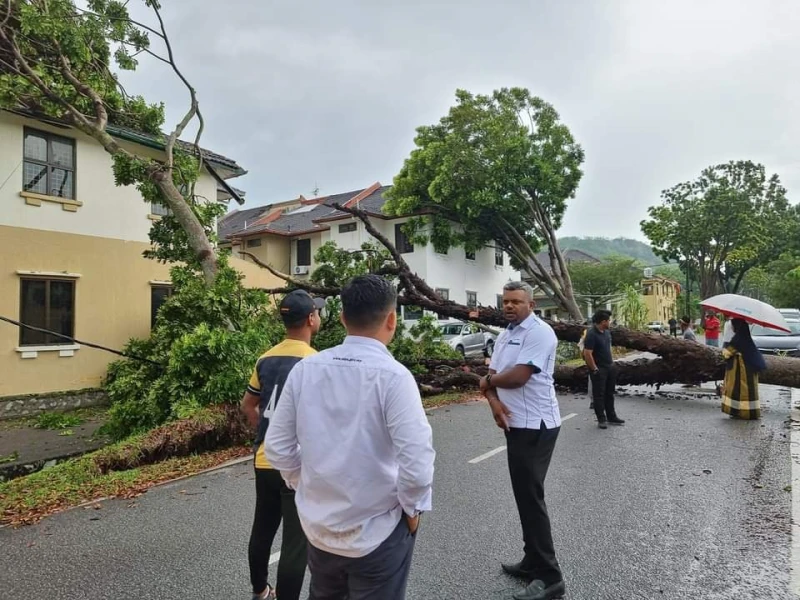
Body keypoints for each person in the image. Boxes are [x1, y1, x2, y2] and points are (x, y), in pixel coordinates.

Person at [265, 274, 435, 600]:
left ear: (342, 317)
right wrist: (413, 511)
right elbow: (417, 462)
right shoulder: (394, 377)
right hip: (378, 534)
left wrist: (308, 486)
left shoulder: (307, 370)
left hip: (319, 530)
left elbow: (277, 447)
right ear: (392, 320)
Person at [479, 281, 566, 600]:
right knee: (523, 496)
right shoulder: (507, 335)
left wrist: (488, 383)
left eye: (516, 301)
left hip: (537, 425)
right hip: (516, 425)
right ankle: (532, 559)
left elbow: (516, 378)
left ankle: (550, 576)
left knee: (531, 498)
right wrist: (493, 402)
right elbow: (491, 377)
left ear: (531, 304)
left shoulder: (539, 333)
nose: (510, 306)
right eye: (506, 302)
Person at [240, 289, 325, 600]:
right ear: (311, 319)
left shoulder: (265, 358)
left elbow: (248, 405)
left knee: (262, 529)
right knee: (294, 542)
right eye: (317, 312)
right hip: (297, 464)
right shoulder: (317, 363)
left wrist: (263, 431)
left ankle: (260, 591)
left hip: (264, 460)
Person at [583, 309, 625, 430]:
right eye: (608, 321)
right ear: (603, 322)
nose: (610, 322)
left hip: (609, 366)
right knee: (599, 395)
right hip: (599, 369)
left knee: (609, 393)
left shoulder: (606, 332)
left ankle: (612, 416)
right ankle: (601, 419)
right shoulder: (591, 334)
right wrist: (594, 369)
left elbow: (608, 348)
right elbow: (587, 354)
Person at [721, 318, 767, 420]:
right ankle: (751, 412)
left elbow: (727, 353)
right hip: (750, 369)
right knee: (750, 391)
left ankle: (742, 412)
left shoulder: (738, 339)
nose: (731, 328)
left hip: (742, 372)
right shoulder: (745, 337)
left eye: (733, 326)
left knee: (740, 391)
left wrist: (724, 350)